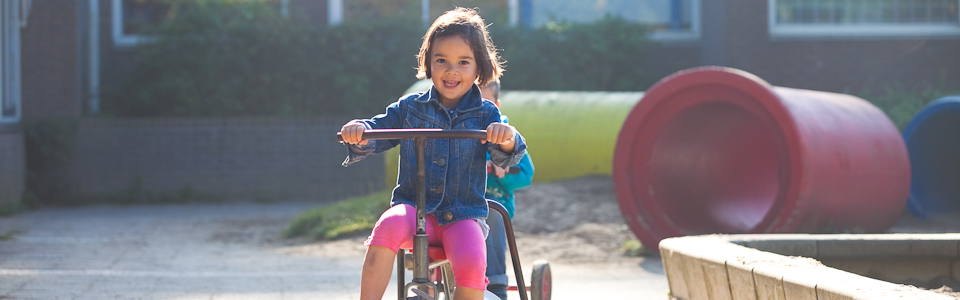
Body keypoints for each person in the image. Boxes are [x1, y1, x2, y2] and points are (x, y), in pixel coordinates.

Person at [339, 8, 527, 300]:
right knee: (385, 228)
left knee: (473, 260)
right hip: (414, 210)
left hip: (463, 215)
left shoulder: (486, 112)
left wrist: (506, 139)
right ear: (429, 63)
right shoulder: (410, 107)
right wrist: (360, 132)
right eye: (442, 61)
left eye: (463, 62)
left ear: (479, 69)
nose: (451, 71)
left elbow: (507, 153)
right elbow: (377, 131)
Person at [480, 79, 534, 300]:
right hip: (460, 200)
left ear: (497, 105)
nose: (480, 108)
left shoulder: (505, 136)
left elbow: (526, 174)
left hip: (494, 202)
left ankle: (496, 283)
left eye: (486, 102)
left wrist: (503, 171)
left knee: (490, 213)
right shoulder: (460, 131)